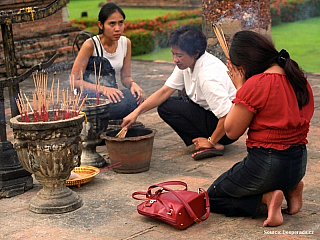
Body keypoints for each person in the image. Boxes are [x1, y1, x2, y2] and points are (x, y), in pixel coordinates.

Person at [207, 30, 314, 227]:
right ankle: (291, 190)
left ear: (243, 65)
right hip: (298, 163)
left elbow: (231, 131)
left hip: (268, 165)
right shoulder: (298, 77)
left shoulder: (257, 84)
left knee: (211, 197)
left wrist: (241, 89)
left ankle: (267, 198)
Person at [121, 25, 237, 160]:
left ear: (196, 53)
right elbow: (164, 92)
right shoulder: (186, 64)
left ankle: (212, 143)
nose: (175, 59)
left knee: (168, 107)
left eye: (179, 55)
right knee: (168, 104)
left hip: (227, 128)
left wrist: (211, 141)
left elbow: (227, 115)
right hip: (212, 115)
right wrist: (135, 113)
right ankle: (202, 140)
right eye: (173, 53)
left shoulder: (207, 76)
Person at [71, 2, 145, 120]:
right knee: (119, 105)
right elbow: (74, 80)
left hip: (110, 94)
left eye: (121, 23)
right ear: (101, 25)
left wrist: (133, 84)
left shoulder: (126, 43)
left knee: (135, 98)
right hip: (89, 98)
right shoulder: (91, 45)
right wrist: (103, 89)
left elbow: (126, 77)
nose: (117, 28)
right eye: (112, 24)